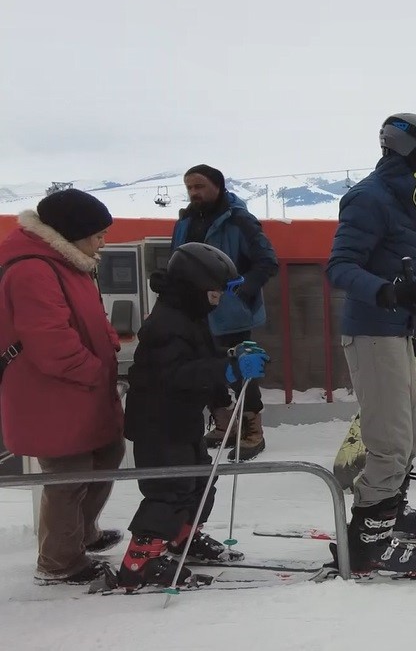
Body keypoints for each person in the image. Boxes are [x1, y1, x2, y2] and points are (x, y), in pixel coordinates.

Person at [325, 112, 416, 577]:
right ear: (414, 154)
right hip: (372, 331)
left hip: (398, 329)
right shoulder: (370, 198)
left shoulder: (403, 201)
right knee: (389, 441)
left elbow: (405, 268)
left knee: (409, 436)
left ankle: (390, 511)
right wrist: (384, 292)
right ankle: (368, 544)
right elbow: (339, 267)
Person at [111, 243, 268, 591]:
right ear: (195, 287)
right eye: (215, 293)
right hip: (158, 424)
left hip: (181, 421)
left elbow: (202, 360)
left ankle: (184, 536)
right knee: (169, 488)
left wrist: (222, 392)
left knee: (199, 480)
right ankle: (140, 561)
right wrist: (228, 370)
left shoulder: (190, 317)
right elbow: (176, 375)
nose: (219, 301)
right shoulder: (165, 324)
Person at [0, 190, 125, 585]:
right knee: (67, 475)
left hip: (79, 388)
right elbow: (50, 342)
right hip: (52, 391)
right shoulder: (31, 268)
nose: (103, 242)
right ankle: (58, 561)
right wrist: (93, 370)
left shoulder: (68, 260)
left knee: (107, 453)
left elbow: (91, 313)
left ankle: (80, 534)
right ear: (71, 233)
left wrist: (109, 344)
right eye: (98, 234)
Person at [173, 164, 279, 461]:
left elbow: (267, 261)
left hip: (232, 313)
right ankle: (224, 423)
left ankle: (252, 428)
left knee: (241, 370)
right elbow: (177, 259)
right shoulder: (185, 221)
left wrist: (241, 290)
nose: (194, 193)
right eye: (190, 187)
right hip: (195, 312)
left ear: (217, 186)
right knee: (204, 368)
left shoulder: (240, 221)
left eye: (200, 186)